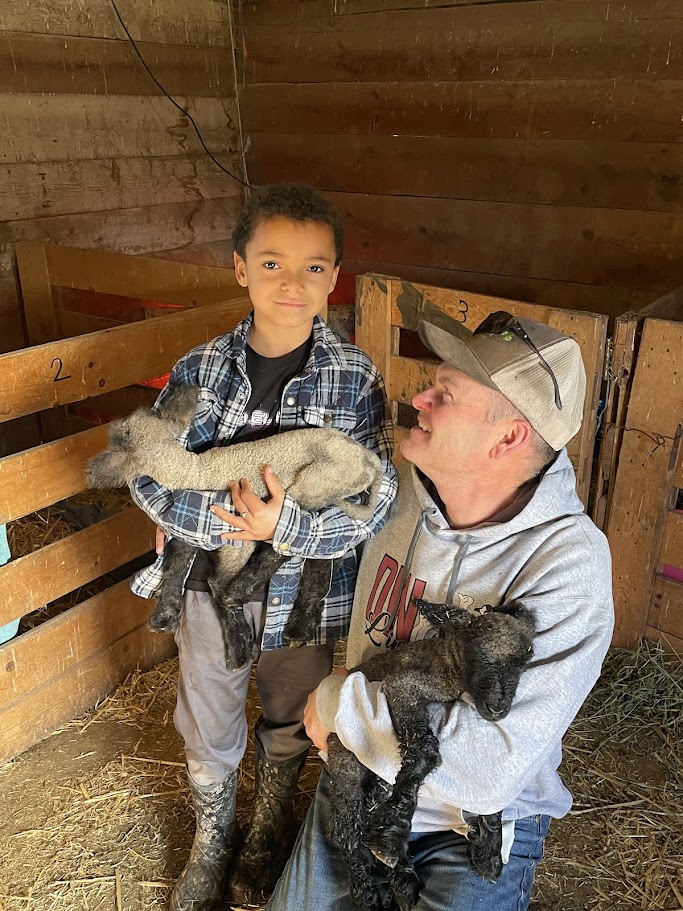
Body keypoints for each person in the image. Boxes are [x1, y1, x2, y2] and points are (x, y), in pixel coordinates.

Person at [268, 309, 614, 911]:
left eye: (444, 395)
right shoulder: (395, 488)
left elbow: (483, 772)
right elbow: (281, 490)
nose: (419, 398)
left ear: (506, 437)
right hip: (357, 778)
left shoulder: (568, 565)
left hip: (469, 826)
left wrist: (333, 704)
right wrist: (186, 519)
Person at [127, 183, 398, 910]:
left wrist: (289, 529)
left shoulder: (356, 378)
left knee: (290, 709)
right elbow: (146, 464)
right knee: (210, 711)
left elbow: (376, 493)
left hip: (306, 595)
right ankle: (212, 836)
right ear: (240, 268)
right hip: (212, 586)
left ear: (334, 277)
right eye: (272, 263)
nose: (292, 282)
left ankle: (267, 823)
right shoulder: (199, 370)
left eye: (313, 267)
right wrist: (208, 521)